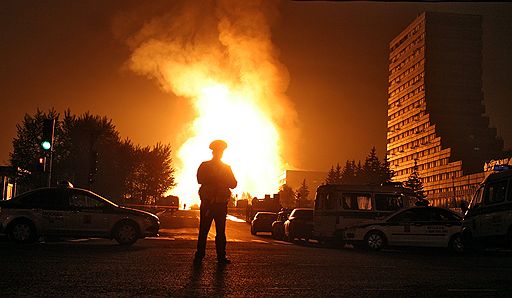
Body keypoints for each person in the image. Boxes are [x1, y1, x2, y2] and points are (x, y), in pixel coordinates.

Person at [193, 140, 237, 265]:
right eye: (218, 151)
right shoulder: (206, 166)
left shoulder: (225, 167)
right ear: (213, 152)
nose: (220, 154)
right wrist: (216, 179)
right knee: (205, 230)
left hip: (220, 203)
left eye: (221, 151)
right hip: (208, 203)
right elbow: (200, 179)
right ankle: (201, 255)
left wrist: (222, 179)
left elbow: (233, 184)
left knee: (219, 232)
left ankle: (219, 256)